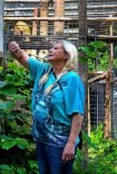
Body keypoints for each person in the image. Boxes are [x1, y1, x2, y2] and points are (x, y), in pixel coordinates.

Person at [8, 40, 85, 174]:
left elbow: (77, 114)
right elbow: (21, 57)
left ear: (67, 55)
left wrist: (71, 144)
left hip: (60, 143)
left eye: (56, 49)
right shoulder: (43, 70)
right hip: (42, 139)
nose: (50, 50)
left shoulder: (72, 79)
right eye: (51, 48)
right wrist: (15, 49)